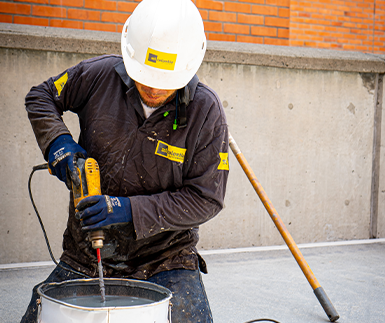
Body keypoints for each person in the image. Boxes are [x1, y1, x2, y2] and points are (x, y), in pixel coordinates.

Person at [21, 0, 229, 321]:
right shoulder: (98, 75)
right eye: (146, 76)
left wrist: (126, 210)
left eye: (164, 81)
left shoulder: (206, 111)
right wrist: (59, 146)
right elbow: (41, 96)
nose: (154, 87)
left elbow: (206, 200)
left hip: (166, 259)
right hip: (86, 255)